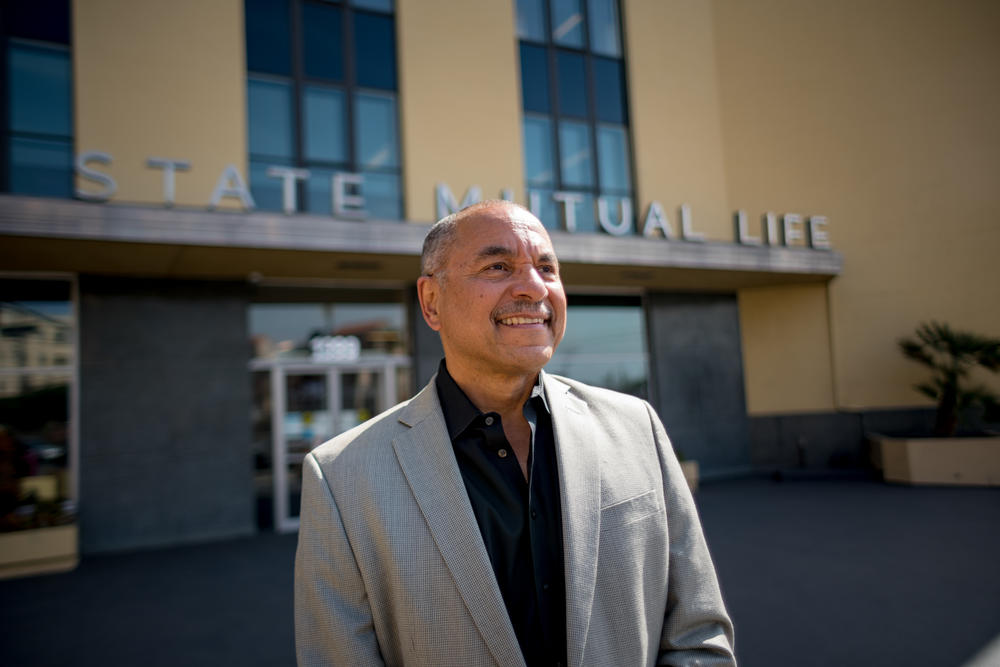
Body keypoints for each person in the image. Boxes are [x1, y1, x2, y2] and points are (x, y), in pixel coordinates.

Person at [295, 200, 736, 666]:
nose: (532, 288)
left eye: (547, 267)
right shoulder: (342, 477)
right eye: (498, 266)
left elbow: (698, 633)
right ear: (431, 302)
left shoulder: (637, 427)